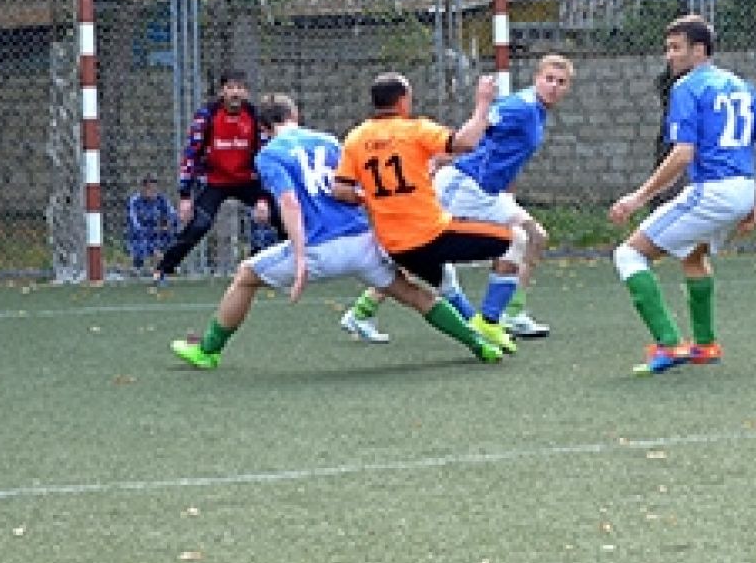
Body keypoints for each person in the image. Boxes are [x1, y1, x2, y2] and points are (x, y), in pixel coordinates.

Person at [170, 94, 504, 370]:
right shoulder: (330, 141)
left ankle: (208, 351)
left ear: (263, 129)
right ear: (295, 115)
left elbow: (289, 203)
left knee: (245, 276)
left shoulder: (269, 155)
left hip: (319, 250)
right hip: (362, 244)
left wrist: (300, 257)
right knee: (417, 296)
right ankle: (478, 344)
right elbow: (351, 188)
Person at [342, 54, 576, 342]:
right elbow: (476, 131)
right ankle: (362, 311)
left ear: (567, 87)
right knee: (420, 250)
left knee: (535, 236)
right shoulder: (520, 107)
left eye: (561, 82)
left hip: (486, 191)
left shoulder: (537, 111)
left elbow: (506, 153)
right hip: (464, 184)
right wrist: (439, 158)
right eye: (549, 79)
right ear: (536, 78)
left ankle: (511, 313)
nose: (553, 86)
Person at [608, 14, 756, 375]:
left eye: (676, 48)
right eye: (667, 48)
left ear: (699, 50)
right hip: (742, 189)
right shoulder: (741, 86)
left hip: (713, 191)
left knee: (629, 255)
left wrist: (638, 198)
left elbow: (682, 154)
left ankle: (668, 343)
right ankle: (705, 344)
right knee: (693, 257)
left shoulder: (687, 87)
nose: (669, 55)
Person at [333, 72, 530, 357]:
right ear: (403, 101)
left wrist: (370, 198)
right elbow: (466, 142)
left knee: (446, 282)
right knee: (517, 240)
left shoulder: (355, 138)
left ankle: (480, 342)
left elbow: (340, 190)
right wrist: (482, 103)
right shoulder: (414, 130)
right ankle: (489, 321)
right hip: (431, 234)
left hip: (396, 245)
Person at [152, 69, 284, 283]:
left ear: (246, 92)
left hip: (248, 180)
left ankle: (296, 263)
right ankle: (164, 269)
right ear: (222, 92)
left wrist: (264, 198)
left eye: (240, 88)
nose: (235, 93)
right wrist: (185, 195)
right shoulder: (207, 116)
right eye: (230, 88)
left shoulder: (256, 117)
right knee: (199, 224)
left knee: (281, 216)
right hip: (215, 181)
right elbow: (191, 154)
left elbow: (266, 158)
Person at [126, 176, 178, 271]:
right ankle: (139, 266)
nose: (153, 192)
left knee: (174, 232)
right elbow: (134, 223)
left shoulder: (161, 199)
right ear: (143, 189)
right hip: (142, 232)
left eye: (155, 189)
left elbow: (173, 214)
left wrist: (167, 225)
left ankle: (168, 263)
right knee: (138, 237)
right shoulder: (135, 201)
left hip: (158, 230)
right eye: (150, 189)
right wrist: (153, 249)